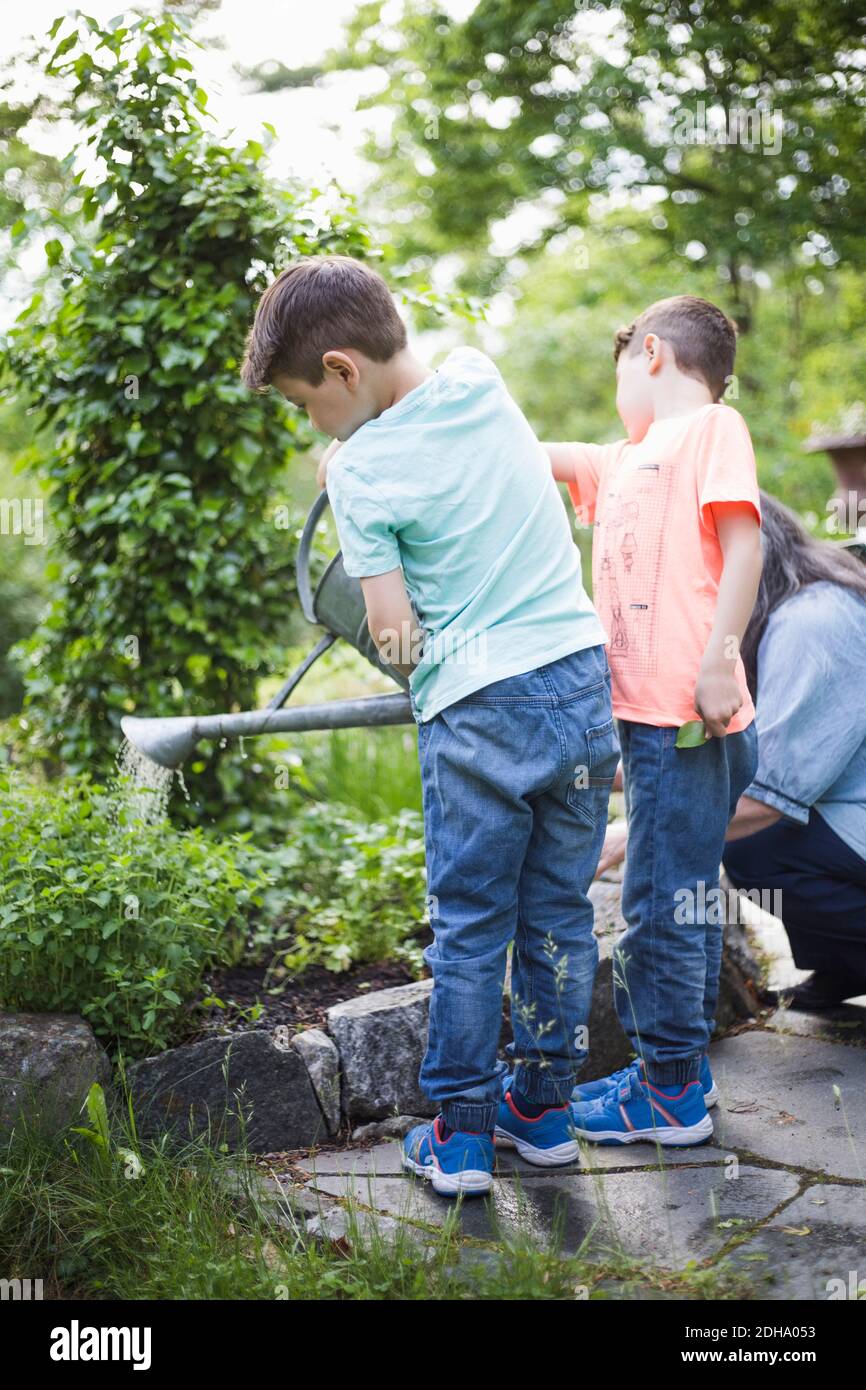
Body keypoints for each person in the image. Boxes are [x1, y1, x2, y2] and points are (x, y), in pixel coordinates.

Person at [241, 255, 619, 1196]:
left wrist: (347, 468)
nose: (311, 429)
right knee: (560, 918)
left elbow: (393, 628)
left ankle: (457, 1137)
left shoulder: (360, 469)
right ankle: (543, 1113)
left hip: (478, 710)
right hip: (577, 686)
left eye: (302, 407)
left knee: (470, 928)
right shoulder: (481, 376)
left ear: (340, 371)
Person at [545, 295, 762, 1145]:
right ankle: (682, 1074)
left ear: (653, 352)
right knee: (683, 894)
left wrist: (719, 655)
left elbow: (744, 545)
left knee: (661, 902)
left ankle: (666, 1093)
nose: (616, 396)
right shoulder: (622, 457)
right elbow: (523, 455)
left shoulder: (711, 428)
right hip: (645, 717)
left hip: (689, 710)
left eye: (620, 374)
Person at [722, 492, 866, 1009]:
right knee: (772, 839)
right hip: (852, 803)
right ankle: (844, 968)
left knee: (754, 847)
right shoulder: (806, 598)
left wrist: (637, 834)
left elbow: (770, 795)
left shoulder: (812, 623)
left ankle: (851, 960)